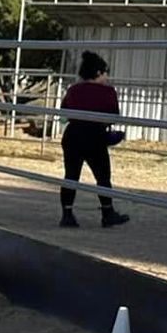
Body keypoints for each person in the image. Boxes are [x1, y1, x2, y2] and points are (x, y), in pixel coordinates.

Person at [58, 51, 131, 228]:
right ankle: (107, 212)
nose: (107, 77)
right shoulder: (108, 92)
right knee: (103, 176)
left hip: (73, 135)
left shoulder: (73, 90)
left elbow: (63, 115)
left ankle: (67, 214)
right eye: (106, 73)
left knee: (71, 175)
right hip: (95, 137)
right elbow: (113, 117)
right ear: (98, 73)